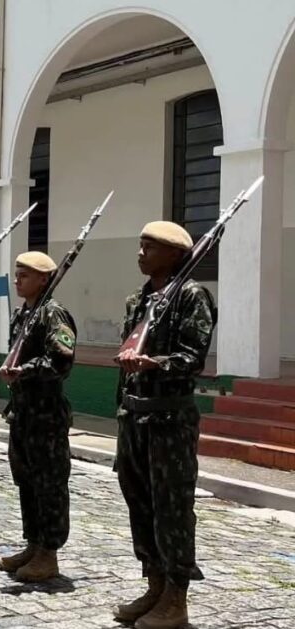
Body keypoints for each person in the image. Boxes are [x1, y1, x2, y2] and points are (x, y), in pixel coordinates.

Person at [113, 221, 216, 629]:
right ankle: (154, 584)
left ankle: (176, 596)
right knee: (139, 504)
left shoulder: (191, 296)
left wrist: (154, 363)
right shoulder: (138, 300)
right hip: (135, 417)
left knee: (171, 508)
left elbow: (193, 357)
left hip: (169, 420)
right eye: (141, 245)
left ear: (174, 254)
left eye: (150, 247)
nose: (141, 253)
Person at [0, 251, 76, 582]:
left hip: (45, 415)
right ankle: (33, 543)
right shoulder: (23, 314)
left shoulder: (53, 314)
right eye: (17, 274)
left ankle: (49, 553)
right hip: (22, 412)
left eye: (25, 275)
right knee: (26, 482)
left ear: (44, 279)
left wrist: (24, 371)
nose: (17, 280)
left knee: (49, 485)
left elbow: (61, 361)